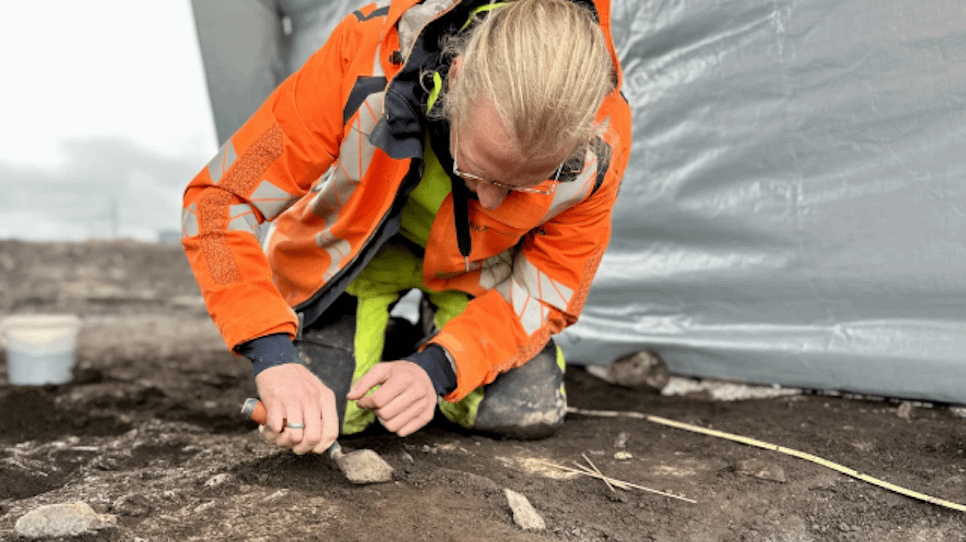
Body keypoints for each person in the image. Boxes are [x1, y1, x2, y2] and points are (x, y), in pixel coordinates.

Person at [181, 0, 631, 457]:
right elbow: (216, 202)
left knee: (522, 409)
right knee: (327, 413)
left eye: (526, 186)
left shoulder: (603, 138)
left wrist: (436, 368)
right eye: (477, 170)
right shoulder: (363, 58)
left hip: (477, 273)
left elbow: (552, 289)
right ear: (454, 78)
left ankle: (424, 342)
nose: (490, 201)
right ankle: (371, 334)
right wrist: (272, 354)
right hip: (351, 266)